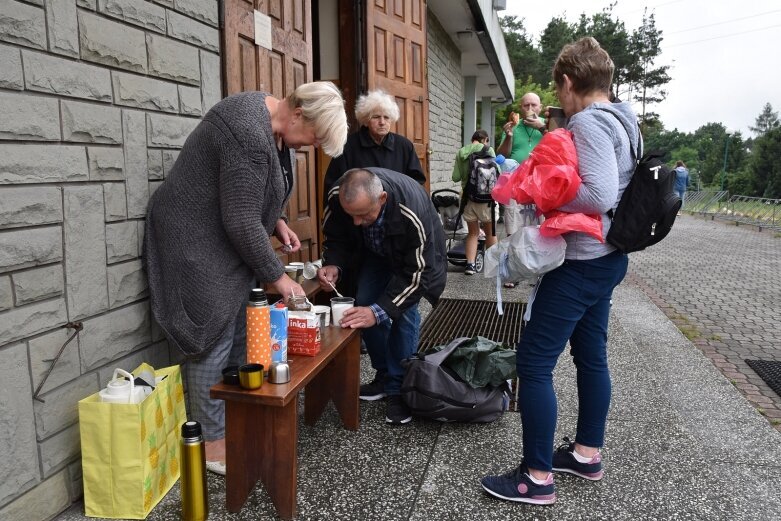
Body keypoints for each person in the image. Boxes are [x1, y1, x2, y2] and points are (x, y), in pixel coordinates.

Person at [143, 81, 348, 475]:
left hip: (219, 237)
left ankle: (231, 423)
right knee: (211, 337)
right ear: (300, 113)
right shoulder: (248, 134)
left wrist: (277, 222)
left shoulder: (269, 122)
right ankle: (211, 445)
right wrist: (279, 279)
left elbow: (250, 197)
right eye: (314, 136)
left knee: (240, 329)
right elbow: (238, 218)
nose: (310, 145)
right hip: (192, 239)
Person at [481, 37, 635, 505]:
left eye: (558, 90)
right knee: (591, 356)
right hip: (609, 258)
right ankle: (586, 453)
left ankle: (536, 477)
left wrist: (539, 195)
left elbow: (600, 194)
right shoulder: (626, 119)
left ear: (568, 83)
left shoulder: (588, 121)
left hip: (582, 263)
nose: (559, 101)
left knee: (533, 362)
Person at [318, 168, 446, 424]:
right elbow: (337, 237)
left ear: (383, 199)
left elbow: (417, 274)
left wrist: (381, 310)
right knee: (364, 306)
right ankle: (384, 376)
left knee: (403, 314)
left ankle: (400, 389)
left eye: (364, 215)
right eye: (351, 215)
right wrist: (333, 263)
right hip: (374, 254)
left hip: (411, 259)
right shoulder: (338, 197)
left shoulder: (411, 211)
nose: (356, 222)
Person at [323, 90, 425, 196]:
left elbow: (416, 181)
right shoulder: (348, 146)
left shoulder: (404, 146)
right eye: (376, 117)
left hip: (396, 207)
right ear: (366, 120)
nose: (382, 122)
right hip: (359, 209)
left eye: (386, 117)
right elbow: (334, 184)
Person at [496, 92, 547, 288]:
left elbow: (560, 146)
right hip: (516, 182)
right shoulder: (514, 126)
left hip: (541, 183)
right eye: (526, 105)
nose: (529, 109)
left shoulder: (547, 125)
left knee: (541, 227)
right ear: (520, 107)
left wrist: (542, 128)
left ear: (540, 107)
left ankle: (539, 272)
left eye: (534, 105)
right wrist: (508, 137)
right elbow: (502, 155)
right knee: (513, 225)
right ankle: (514, 272)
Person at [451, 129, 498, 275]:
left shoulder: (461, 152)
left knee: (473, 233)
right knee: (491, 233)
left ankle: (470, 265)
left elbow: (455, 177)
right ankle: (493, 265)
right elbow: (498, 173)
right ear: (485, 139)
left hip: (468, 199)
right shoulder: (489, 150)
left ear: (473, 139)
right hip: (487, 200)